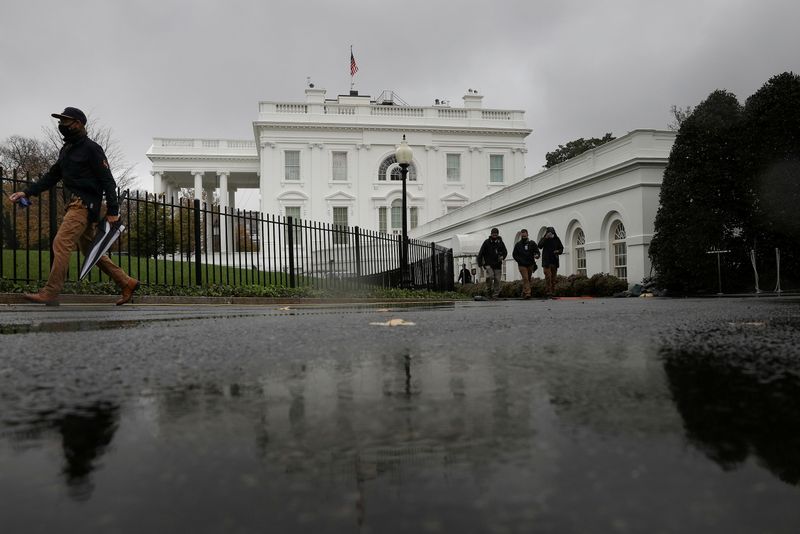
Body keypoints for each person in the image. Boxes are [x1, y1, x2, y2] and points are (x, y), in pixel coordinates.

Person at [9, 107, 139, 306]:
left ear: (78, 123)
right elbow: (52, 176)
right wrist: (26, 192)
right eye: (60, 121)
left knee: (61, 243)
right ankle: (126, 281)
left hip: (83, 205)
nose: (61, 125)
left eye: (65, 121)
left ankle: (50, 292)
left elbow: (108, 181)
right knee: (90, 251)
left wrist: (113, 211)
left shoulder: (92, 148)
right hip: (74, 205)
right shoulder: (67, 149)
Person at [476, 228, 507, 299]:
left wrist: (503, 257)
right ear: (491, 234)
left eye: (496, 233)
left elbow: (505, 252)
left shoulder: (500, 243)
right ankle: (488, 291)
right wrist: (480, 264)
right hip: (488, 264)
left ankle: (495, 295)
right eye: (493, 233)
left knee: (497, 280)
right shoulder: (486, 242)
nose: (494, 235)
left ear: (498, 234)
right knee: (490, 276)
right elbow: (481, 253)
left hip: (498, 265)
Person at [512, 229, 540, 299]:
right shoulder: (518, 245)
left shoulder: (532, 243)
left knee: (528, 279)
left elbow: (537, 252)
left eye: (525, 235)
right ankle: (528, 293)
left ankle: (524, 292)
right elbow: (514, 255)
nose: (524, 236)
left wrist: (537, 255)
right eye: (522, 235)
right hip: (522, 265)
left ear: (527, 234)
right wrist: (519, 261)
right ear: (521, 235)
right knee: (526, 278)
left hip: (530, 264)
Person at [537, 226, 563, 298]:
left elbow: (561, 248)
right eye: (549, 233)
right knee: (548, 277)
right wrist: (545, 238)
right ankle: (548, 292)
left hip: (554, 261)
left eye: (552, 233)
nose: (551, 234)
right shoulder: (544, 239)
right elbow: (539, 246)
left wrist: (558, 251)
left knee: (553, 278)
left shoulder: (557, 239)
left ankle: (553, 291)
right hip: (546, 262)